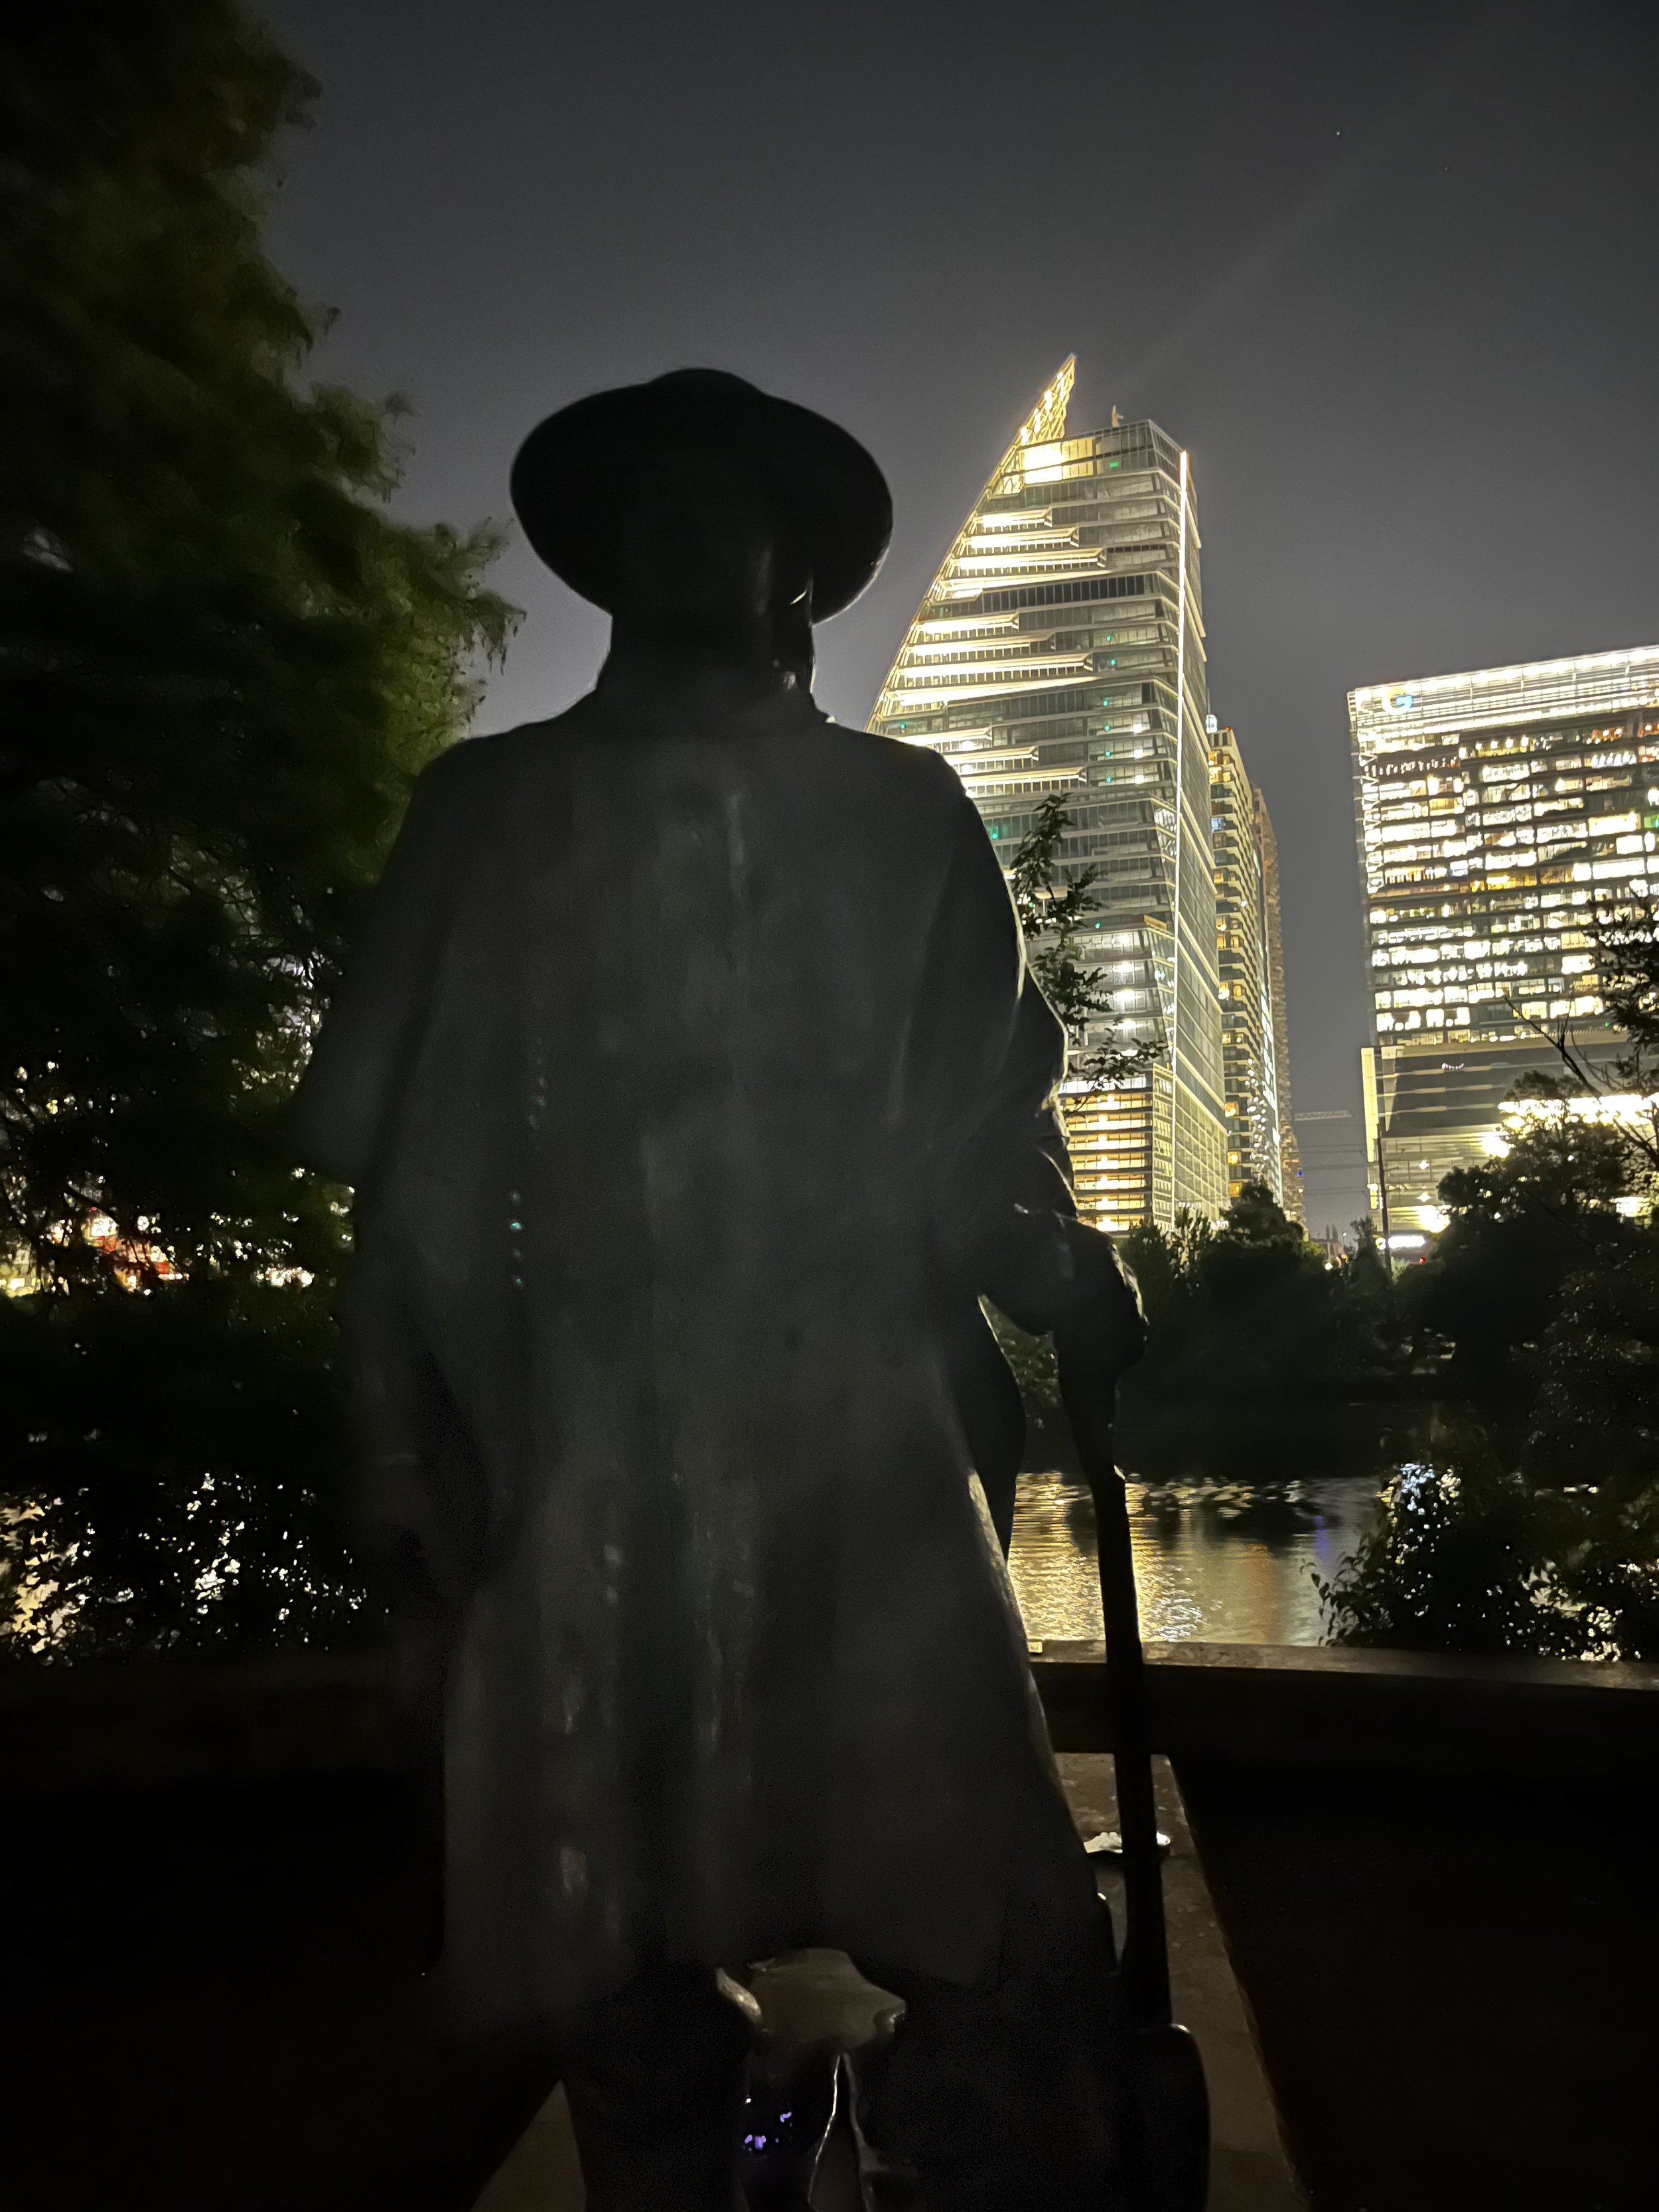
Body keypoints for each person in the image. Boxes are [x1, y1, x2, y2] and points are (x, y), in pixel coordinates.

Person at [292, 368, 1146, 2211]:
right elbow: (423, 1174)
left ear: (796, 569)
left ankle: (946, 2166)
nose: (684, 527)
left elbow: (978, 1132)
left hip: (864, 1430)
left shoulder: (904, 808)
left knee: (996, 1928)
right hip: (583, 1425)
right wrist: (397, 1446)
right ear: (606, 561)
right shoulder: (491, 807)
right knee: (616, 1951)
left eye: (722, 498)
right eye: (650, 505)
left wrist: (1058, 1265)